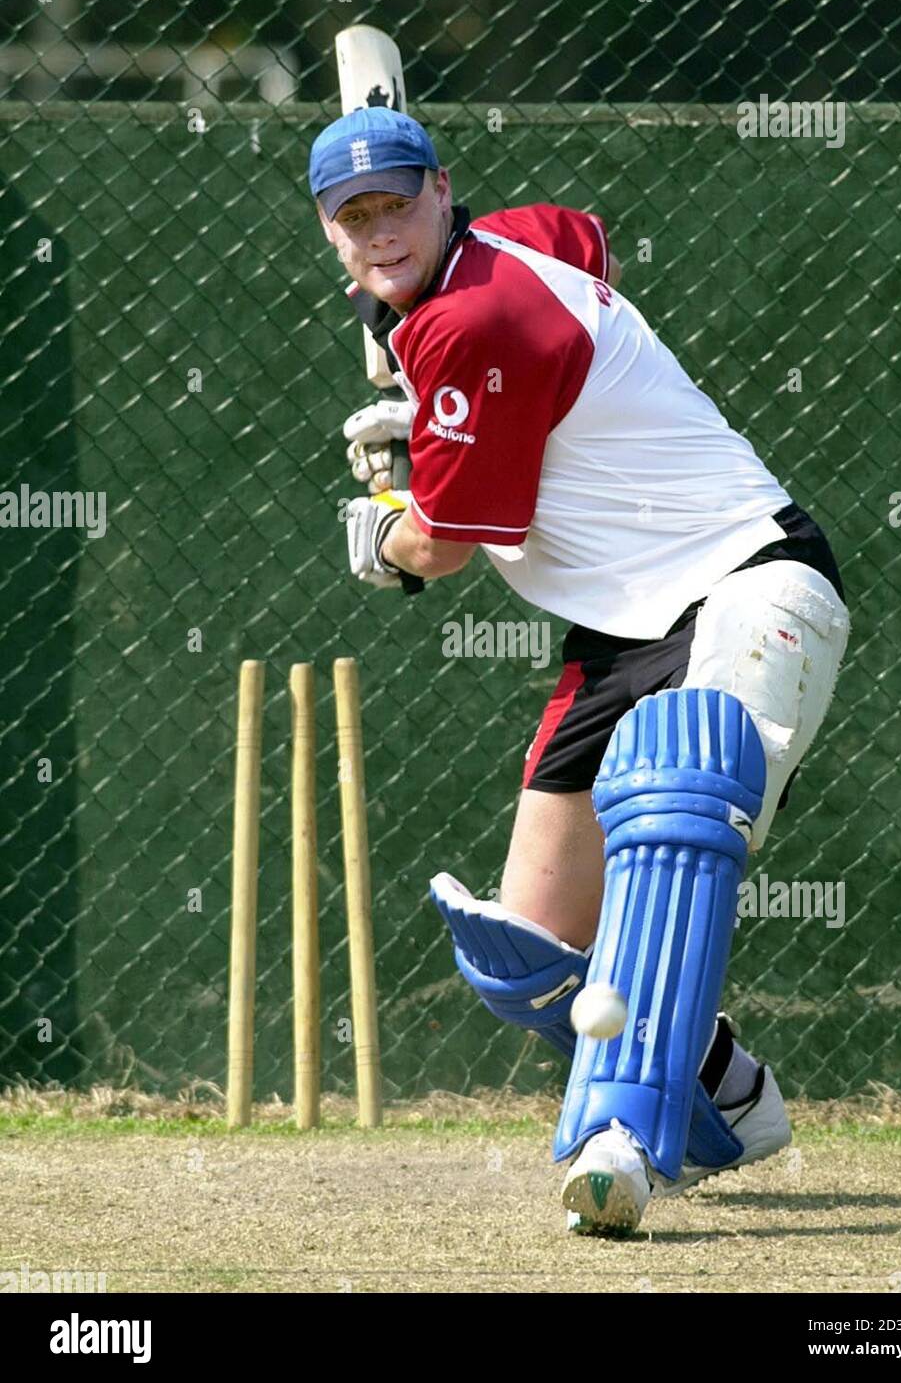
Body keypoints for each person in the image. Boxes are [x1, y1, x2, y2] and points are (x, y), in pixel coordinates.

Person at [310, 106, 850, 1234]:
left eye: (399, 203)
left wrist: (384, 530)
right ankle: (730, 1098)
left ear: (441, 189)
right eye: (354, 218)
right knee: (531, 952)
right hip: (618, 629)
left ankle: (618, 1146)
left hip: (747, 578)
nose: (381, 231)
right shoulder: (517, 242)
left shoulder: (474, 318)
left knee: (680, 806)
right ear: (329, 232)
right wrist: (434, 385)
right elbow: (582, 234)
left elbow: (446, 544)